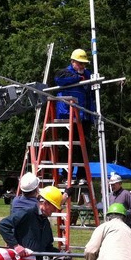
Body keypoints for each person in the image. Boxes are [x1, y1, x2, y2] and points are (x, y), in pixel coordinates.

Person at [54, 48, 95, 183]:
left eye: (84, 64)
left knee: (84, 147)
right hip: (68, 115)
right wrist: (78, 78)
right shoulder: (66, 73)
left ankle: (82, 176)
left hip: (83, 116)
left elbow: (90, 94)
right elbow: (58, 79)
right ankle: (66, 176)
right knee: (69, 146)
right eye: (79, 63)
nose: (82, 66)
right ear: (72, 62)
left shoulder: (87, 74)